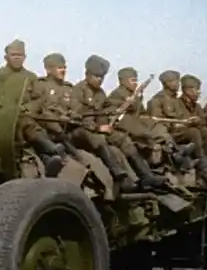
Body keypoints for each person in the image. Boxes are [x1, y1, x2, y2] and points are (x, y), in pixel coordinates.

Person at [71, 56, 167, 191]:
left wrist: (108, 125)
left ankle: (146, 175)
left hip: (98, 129)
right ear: (87, 74)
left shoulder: (100, 93)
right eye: (96, 76)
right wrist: (98, 127)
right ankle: (119, 176)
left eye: (102, 77)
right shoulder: (77, 91)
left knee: (123, 139)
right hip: (80, 130)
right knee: (99, 139)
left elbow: (103, 114)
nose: (100, 79)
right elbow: (76, 117)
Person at [16, 52, 73, 177]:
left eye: (64, 67)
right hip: (44, 127)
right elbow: (35, 106)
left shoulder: (69, 88)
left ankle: (51, 155)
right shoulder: (40, 84)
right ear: (48, 70)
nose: (63, 70)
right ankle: (52, 153)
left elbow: (74, 109)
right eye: (59, 68)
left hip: (62, 128)